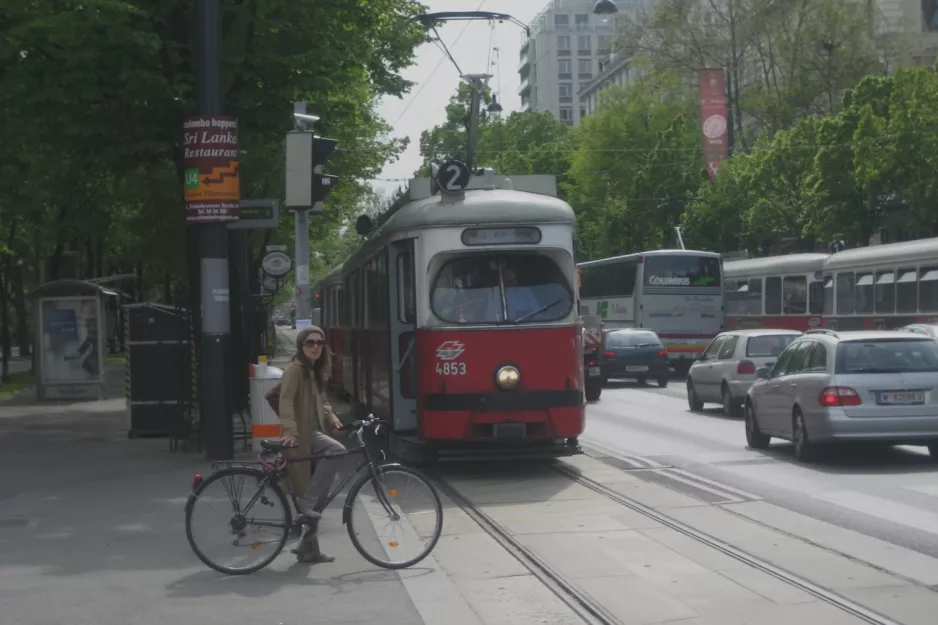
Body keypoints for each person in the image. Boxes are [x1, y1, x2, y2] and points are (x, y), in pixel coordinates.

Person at [278, 325, 345, 564]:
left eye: (319, 342)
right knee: (336, 450)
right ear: (301, 345)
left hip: (314, 432)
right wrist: (290, 432)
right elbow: (285, 401)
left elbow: (323, 402)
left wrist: (333, 418)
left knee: (319, 496)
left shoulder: (314, 370)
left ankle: (309, 550)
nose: (315, 347)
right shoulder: (295, 370)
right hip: (302, 436)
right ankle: (306, 507)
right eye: (310, 342)